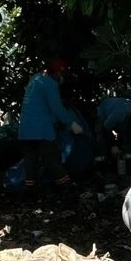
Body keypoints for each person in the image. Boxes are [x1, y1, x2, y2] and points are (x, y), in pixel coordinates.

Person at [18, 59, 84, 188]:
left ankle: (30, 188)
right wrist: (71, 123)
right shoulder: (49, 83)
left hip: (26, 127)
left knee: (30, 159)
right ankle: (66, 186)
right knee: (50, 158)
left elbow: (39, 105)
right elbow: (56, 107)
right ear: (58, 73)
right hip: (41, 128)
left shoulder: (36, 78)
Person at [96, 96, 131, 173]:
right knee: (103, 140)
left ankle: (127, 164)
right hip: (104, 112)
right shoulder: (117, 115)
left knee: (128, 142)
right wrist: (113, 145)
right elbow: (105, 128)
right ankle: (106, 166)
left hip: (121, 113)